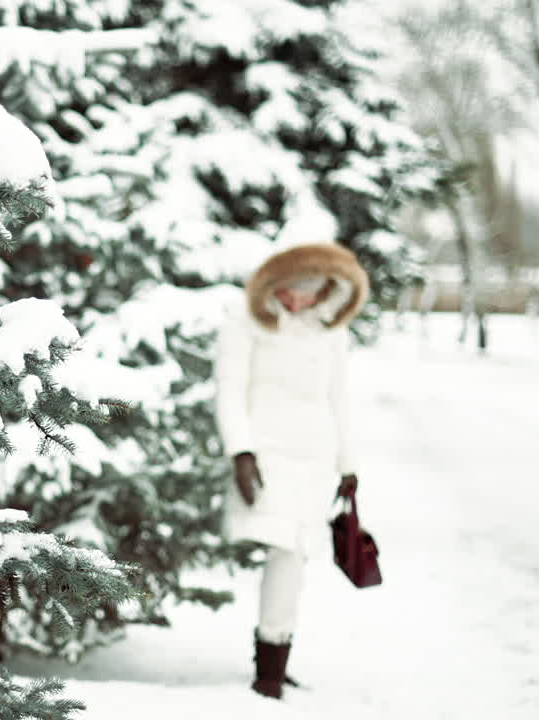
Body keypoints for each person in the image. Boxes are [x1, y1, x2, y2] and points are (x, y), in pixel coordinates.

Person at [213, 242, 368, 699]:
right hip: (268, 456)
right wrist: (240, 451)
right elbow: (228, 390)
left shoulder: (331, 332)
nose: (298, 301)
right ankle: (270, 672)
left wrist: (347, 464)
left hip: (316, 458)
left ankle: (274, 657)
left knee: (296, 554)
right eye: (291, 290)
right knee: (283, 550)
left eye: (312, 291)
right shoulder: (244, 323)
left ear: (328, 289)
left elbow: (339, 399)